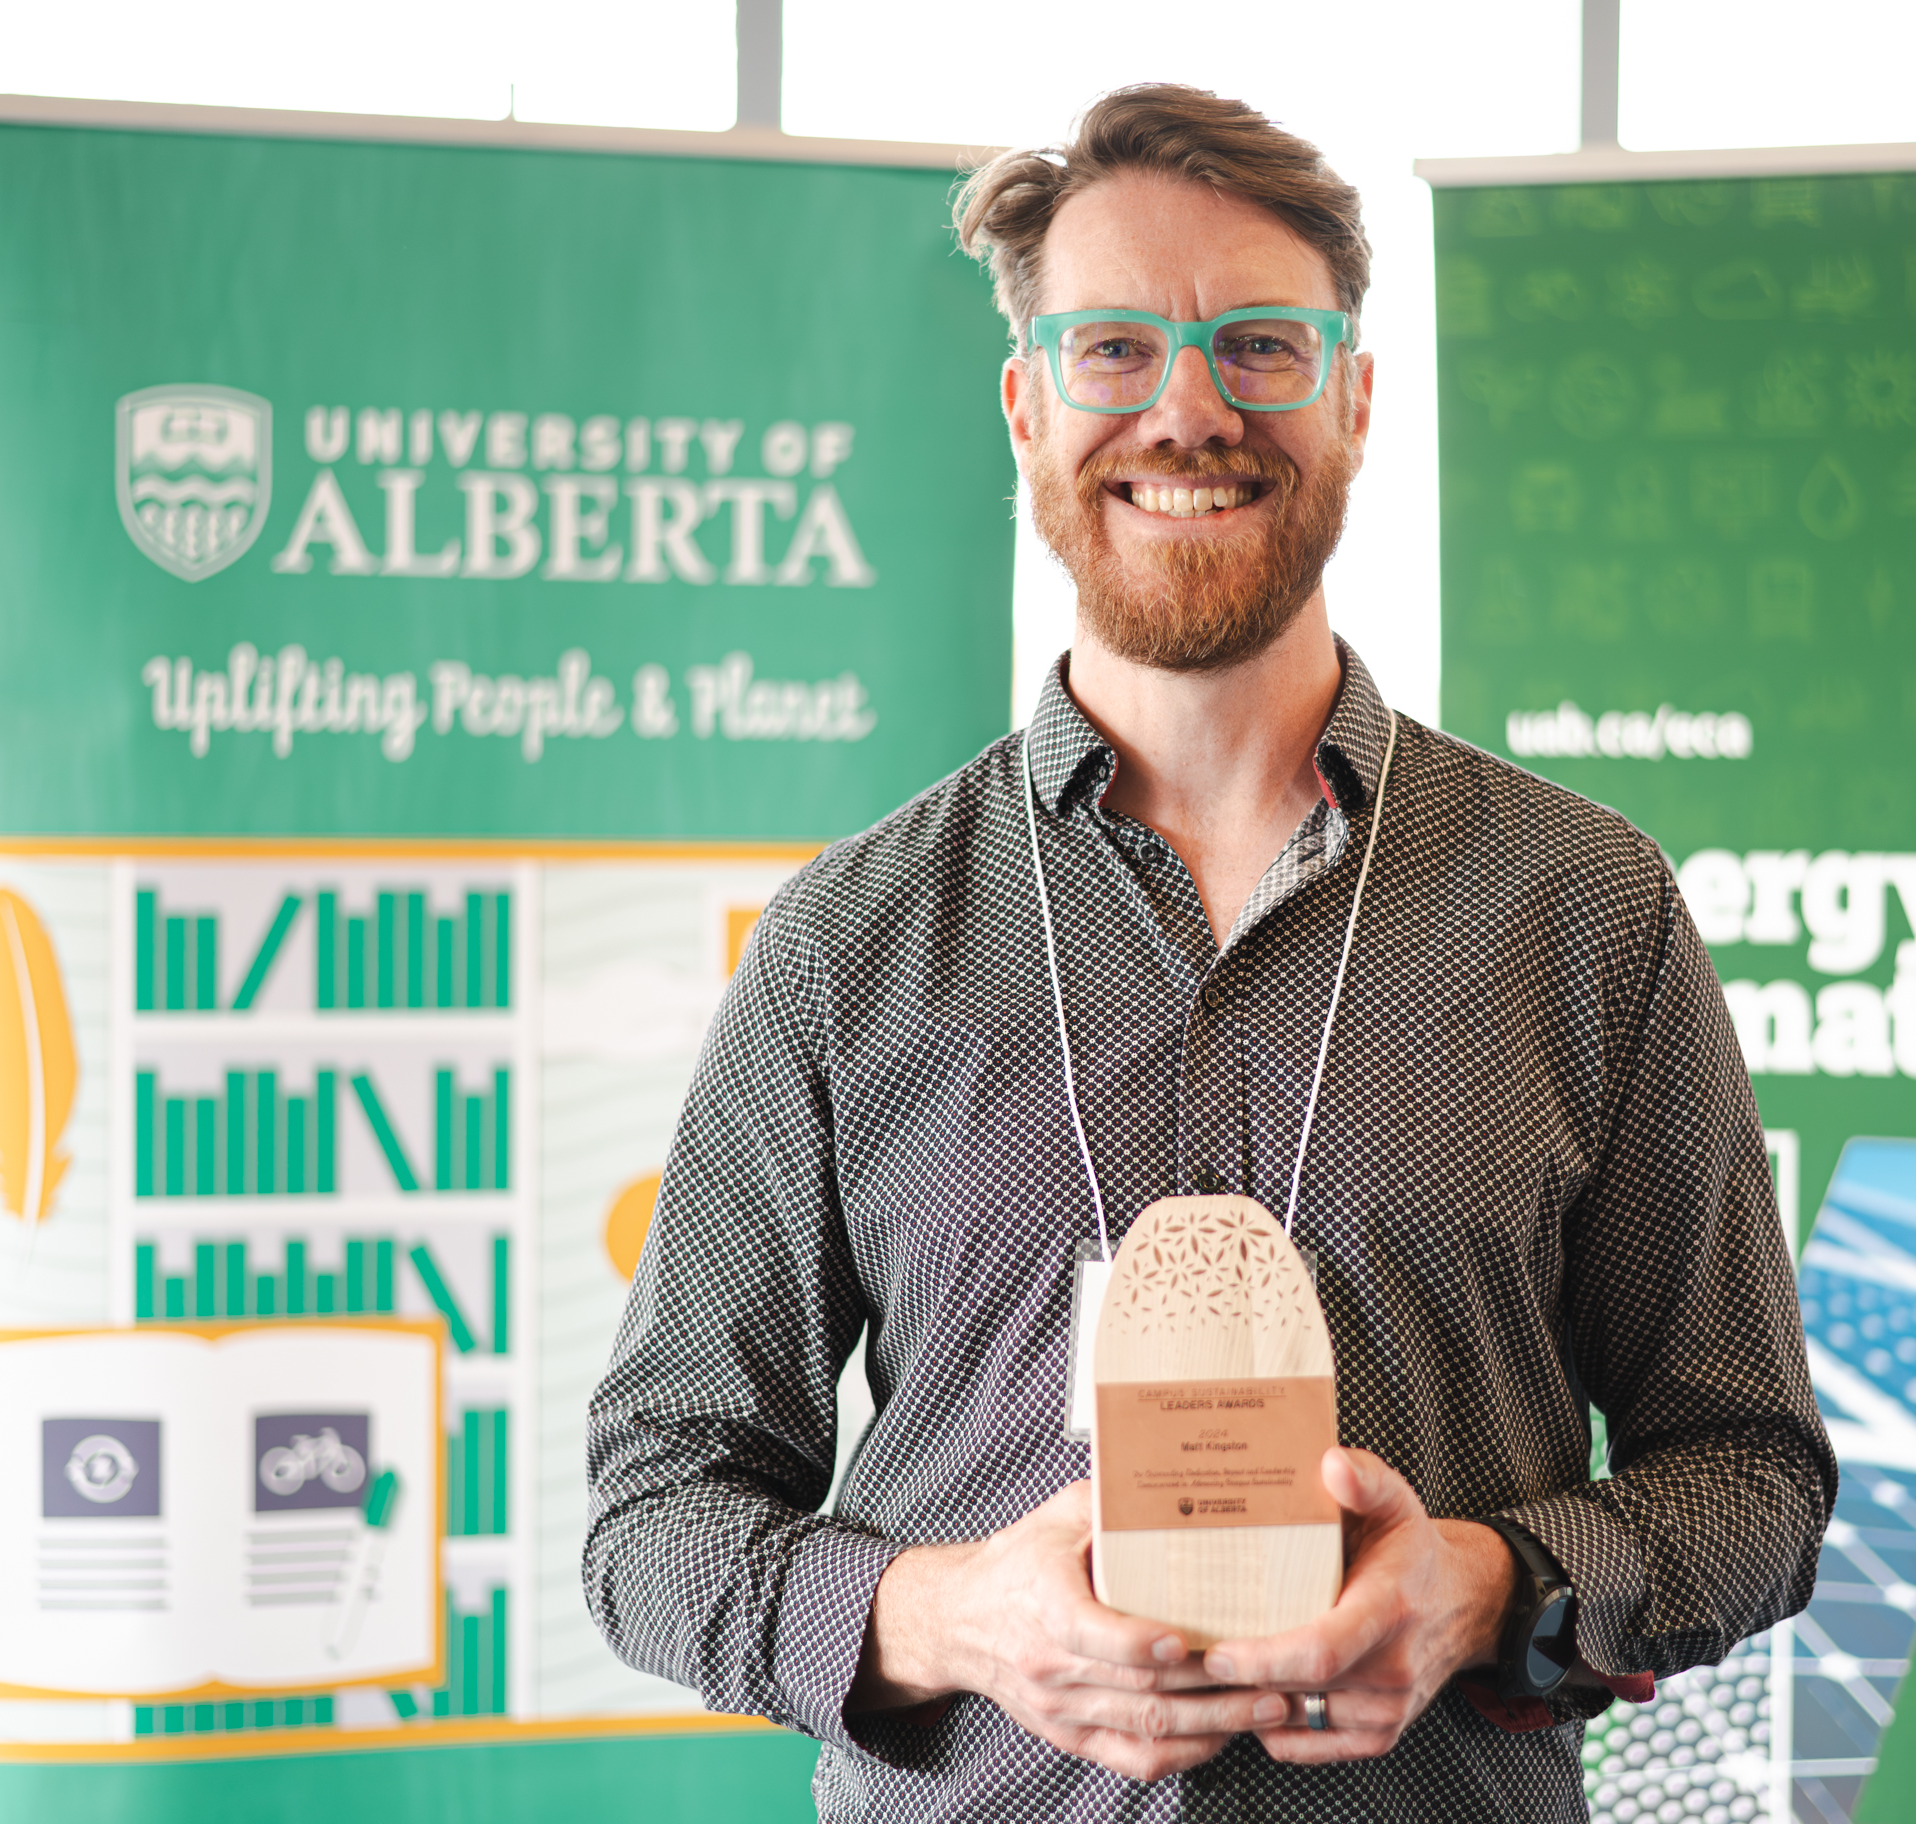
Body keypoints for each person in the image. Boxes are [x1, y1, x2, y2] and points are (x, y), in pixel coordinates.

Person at [586, 83, 1833, 1821]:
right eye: (1115, 351)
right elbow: (657, 1508)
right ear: (1026, 403)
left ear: (1356, 400)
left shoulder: (1583, 912)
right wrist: (944, 1614)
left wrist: (1489, 1584)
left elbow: (1754, 1476)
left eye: (1261, 347)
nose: (1187, 412)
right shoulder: (848, 944)